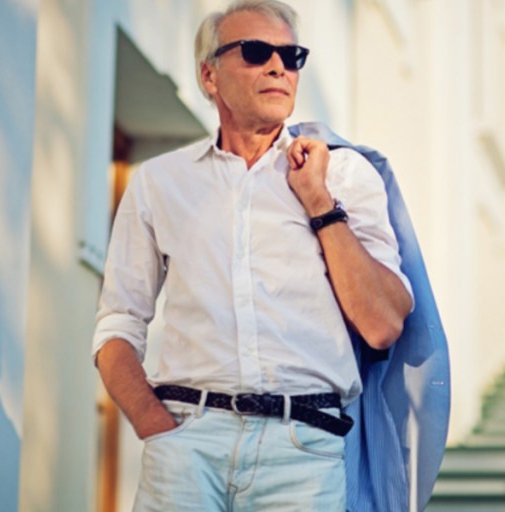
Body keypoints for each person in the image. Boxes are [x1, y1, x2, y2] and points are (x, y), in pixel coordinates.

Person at [91, 1, 414, 510]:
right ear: (209, 75)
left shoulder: (344, 175)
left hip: (303, 455)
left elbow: (383, 324)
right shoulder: (159, 182)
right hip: (186, 447)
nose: (278, 67)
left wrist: (320, 203)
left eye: (291, 56)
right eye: (257, 51)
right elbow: (117, 325)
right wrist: (156, 427)